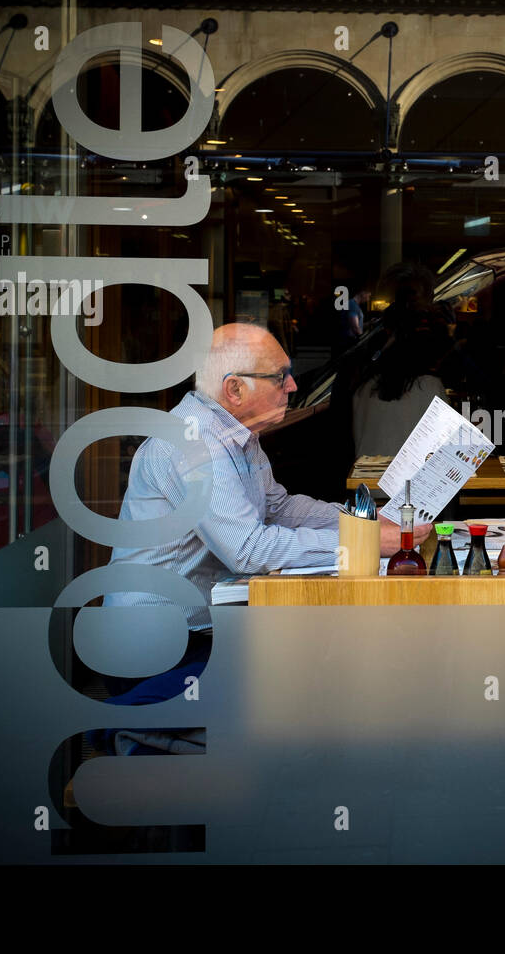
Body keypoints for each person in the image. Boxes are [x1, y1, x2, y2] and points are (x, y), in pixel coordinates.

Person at [102, 323, 429, 708]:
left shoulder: (234, 431)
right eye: (279, 377)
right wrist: (365, 543)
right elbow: (248, 550)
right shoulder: (195, 445)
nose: (292, 386)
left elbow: (279, 507)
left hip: (197, 632)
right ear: (234, 389)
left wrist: (364, 522)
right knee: (311, 679)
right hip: (157, 653)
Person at [352, 303, 451, 457]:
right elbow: (446, 445)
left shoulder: (364, 387)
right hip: (409, 478)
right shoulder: (429, 386)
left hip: (364, 477)